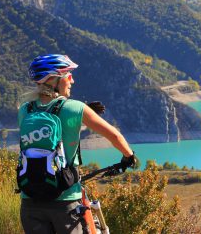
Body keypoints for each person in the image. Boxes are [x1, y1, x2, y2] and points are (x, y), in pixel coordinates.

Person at [19, 54, 138, 234]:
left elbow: (45, 127)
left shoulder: (25, 110)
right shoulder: (74, 108)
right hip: (65, 201)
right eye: (68, 75)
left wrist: (82, 109)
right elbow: (114, 136)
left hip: (30, 200)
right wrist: (129, 157)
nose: (72, 80)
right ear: (54, 79)